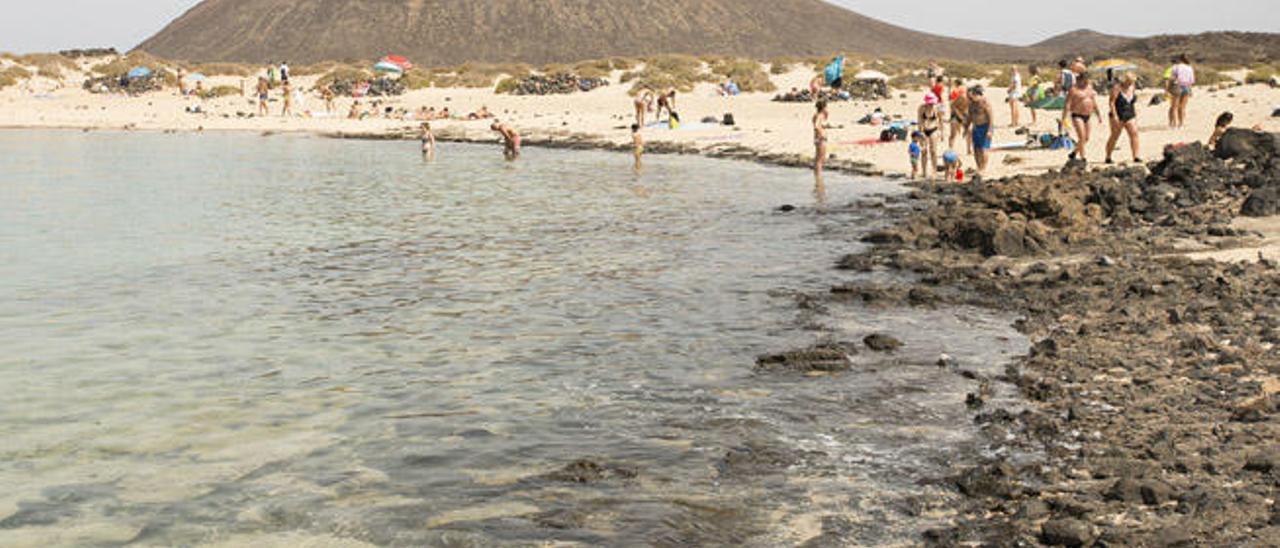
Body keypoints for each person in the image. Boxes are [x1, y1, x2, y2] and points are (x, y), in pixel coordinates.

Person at [1105, 72, 1141, 164]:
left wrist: (1135, 114)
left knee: (1134, 134)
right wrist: (1115, 115)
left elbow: (1132, 102)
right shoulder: (1117, 88)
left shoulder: (1133, 87)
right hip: (1118, 113)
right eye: (1128, 81)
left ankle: (1136, 156)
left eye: (1132, 81)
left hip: (1130, 113)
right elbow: (1112, 102)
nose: (1130, 83)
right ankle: (1108, 156)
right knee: (1114, 136)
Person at [1066, 72, 1101, 161]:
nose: (1086, 83)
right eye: (1084, 81)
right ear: (1080, 80)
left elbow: (1093, 101)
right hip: (1077, 115)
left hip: (1088, 115)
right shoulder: (1074, 90)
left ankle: (1074, 152)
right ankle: (1083, 157)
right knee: (1081, 137)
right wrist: (1065, 117)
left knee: (1086, 138)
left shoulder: (1089, 88)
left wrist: (1098, 114)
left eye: (1087, 81)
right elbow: (1068, 104)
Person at [967, 86, 994, 177]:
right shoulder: (971, 104)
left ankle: (984, 168)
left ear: (977, 94)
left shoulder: (985, 103)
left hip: (985, 127)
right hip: (976, 127)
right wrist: (966, 127)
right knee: (976, 148)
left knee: (984, 148)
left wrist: (989, 130)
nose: (970, 97)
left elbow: (991, 118)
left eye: (973, 95)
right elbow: (970, 116)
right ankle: (979, 167)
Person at [917, 92, 944, 180]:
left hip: (934, 129)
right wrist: (920, 132)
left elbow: (941, 121)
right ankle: (924, 172)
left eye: (932, 103)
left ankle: (934, 171)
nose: (931, 104)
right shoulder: (921, 108)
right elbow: (919, 120)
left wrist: (942, 133)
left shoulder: (937, 108)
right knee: (924, 151)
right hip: (924, 130)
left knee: (933, 151)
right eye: (930, 103)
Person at [1170, 54, 1195, 129]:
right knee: (1182, 107)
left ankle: (1174, 124)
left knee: (1174, 107)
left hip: (1177, 86)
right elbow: (1192, 80)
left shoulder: (1175, 67)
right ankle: (1181, 124)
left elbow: (1172, 78)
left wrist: (1169, 88)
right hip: (1187, 86)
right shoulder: (1189, 68)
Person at [948, 79, 970, 153]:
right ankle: (951, 149)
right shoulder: (958, 98)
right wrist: (960, 116)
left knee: (969, 132)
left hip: (964, 115)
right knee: (953, 134)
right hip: (956, 115)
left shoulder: (969, 99)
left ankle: (969, 149)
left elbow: (969, 108)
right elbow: (953, 106)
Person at [813, 100, 829, 175]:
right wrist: (821, 134)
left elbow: (820, 125)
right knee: (820, 159)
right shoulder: (819, 115)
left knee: (818, 158)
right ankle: (818, 178)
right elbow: (816, 126)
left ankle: (817, 175)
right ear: (823, 107)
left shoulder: (817, 115)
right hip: (820, 138)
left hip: (818, 138)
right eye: (826, 107)